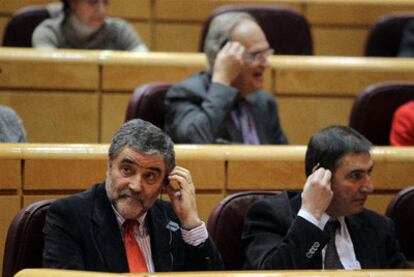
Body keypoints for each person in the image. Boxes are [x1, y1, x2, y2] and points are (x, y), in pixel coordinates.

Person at [42, 119, 223, 272]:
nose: (136, 186)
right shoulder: (69, 216)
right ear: (109, 166)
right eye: (127, 170)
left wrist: (191, 223)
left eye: (150, 176)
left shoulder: (173, 220)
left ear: (164, 183)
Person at [242, 125, 409, 269]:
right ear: (321, 176)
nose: (369, 187)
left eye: (369, 174)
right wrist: (311, 215)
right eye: (356, 176)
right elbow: (273, 273)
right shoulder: (269, 217)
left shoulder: (378, 227)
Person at [164, 12, 287, 144]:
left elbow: (283, 161)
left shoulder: (264, 102)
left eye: (266, 53)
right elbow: (195, 141)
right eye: (256, 55)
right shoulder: (185, 94)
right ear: (224, 57)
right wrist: (222, 81)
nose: (265, 63)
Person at [32, 0, 148, 51]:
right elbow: (48, 73)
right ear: (73, 3)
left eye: (106, 2)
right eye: (92, 2)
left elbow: (145, 66)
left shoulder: (120, 30)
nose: (102, 10)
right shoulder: (48, 33)